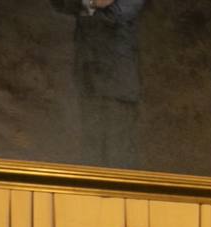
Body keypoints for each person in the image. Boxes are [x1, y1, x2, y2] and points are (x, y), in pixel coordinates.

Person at [49, 0, 145, 169]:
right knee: (91, 149)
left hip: (118, 77)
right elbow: (59, 3)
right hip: (87, 71)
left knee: (119, 153)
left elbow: (119, 14)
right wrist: (93, 3)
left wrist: (82, 6)